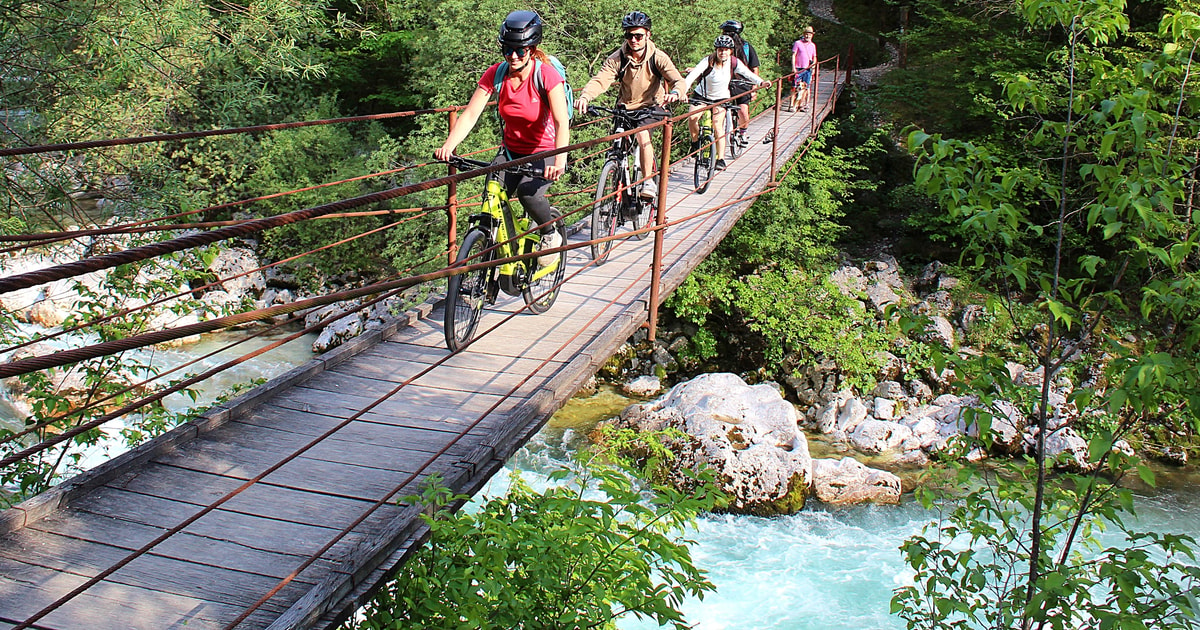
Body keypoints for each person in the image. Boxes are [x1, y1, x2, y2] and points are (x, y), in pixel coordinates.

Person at [435, 10, 570, 263]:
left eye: (520, 50)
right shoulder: (496, 74)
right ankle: (498, 253)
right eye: (507, 50)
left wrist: (560, 161)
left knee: (528, 194)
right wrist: (448, 146)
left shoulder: (546, 76)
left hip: (544, 151)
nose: (513, 56)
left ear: (532, 48)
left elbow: (562, 122)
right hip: (510, 151)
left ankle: (550, 233)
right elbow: (471, 113)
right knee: (492, 195)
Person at [576, 11, 685, 200]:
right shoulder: (618, 57)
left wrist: (675, 93)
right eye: (629, 35)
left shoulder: (657, 57)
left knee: (643, 137)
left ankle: (648, 180)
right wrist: (585, 96)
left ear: (648, 35)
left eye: (638, 35)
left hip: (649, 106)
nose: (633, 40)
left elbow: (678, 80)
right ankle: (616, 193)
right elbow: (601, 79)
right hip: (625, 107)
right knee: (617, 145)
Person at [679, 35, 767, 171]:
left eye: (726, 50)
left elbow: (748, 74)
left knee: (717, 125)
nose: (723, 52)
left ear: (730, 51)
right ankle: (695, 143)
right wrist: (682, 91)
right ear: (716, 50)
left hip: (721, 98)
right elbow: (693, 75)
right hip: (702, 95)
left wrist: (761, 82)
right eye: (720, 50)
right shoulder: (708, 61)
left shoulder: (734, 63)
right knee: (692, 118)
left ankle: (720, 159)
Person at [719, 20, 761, 147]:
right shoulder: (722, 48)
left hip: (742, 84)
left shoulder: (747, 47)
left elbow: (754, 68)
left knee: (743, 110)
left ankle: (742, 133)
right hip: (724, 83)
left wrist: (754, 87)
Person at [790, 26, 817, 112]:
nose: (807, 36)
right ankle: (791, 105)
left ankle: (802, 105)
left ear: (812, 35)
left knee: (806, 87)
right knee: (794, 86)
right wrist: (793, 67)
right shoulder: (797, 43)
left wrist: (814, 66)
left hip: (808, 69)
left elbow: (814, 57)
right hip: (798, 68)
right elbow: (794, 55)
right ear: (803, 34)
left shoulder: (813, 45)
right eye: (806, 34)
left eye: (809, 34)